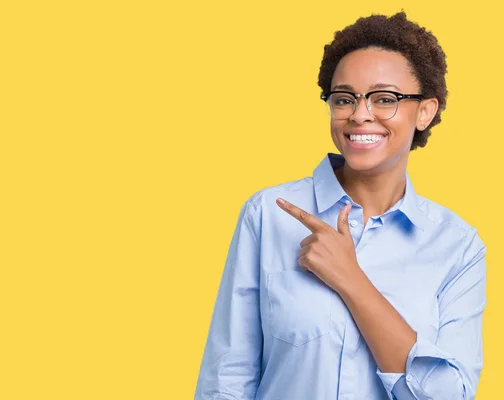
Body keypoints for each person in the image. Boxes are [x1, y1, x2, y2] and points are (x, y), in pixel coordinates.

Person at [194, 11, 487, 400]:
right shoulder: (269, 215)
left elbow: (449, 395)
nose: (359, 114)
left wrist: (350, 278)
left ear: (425, 111)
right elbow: (226, 380)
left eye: (385, 98)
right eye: (344, 98)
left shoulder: (458, 247)